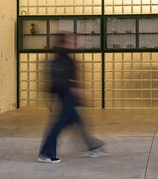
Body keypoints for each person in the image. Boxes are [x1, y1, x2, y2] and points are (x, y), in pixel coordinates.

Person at [37, 32, 107, 163]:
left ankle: (93, 146)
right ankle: (46, 153)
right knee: (62, 124)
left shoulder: (65, 56)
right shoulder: (62, 57)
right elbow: (64, 78)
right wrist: (76, 90)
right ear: (65, 42)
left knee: (73, 121)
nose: (77, 43)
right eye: (73, 41)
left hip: (67, 94)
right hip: (66, 94)